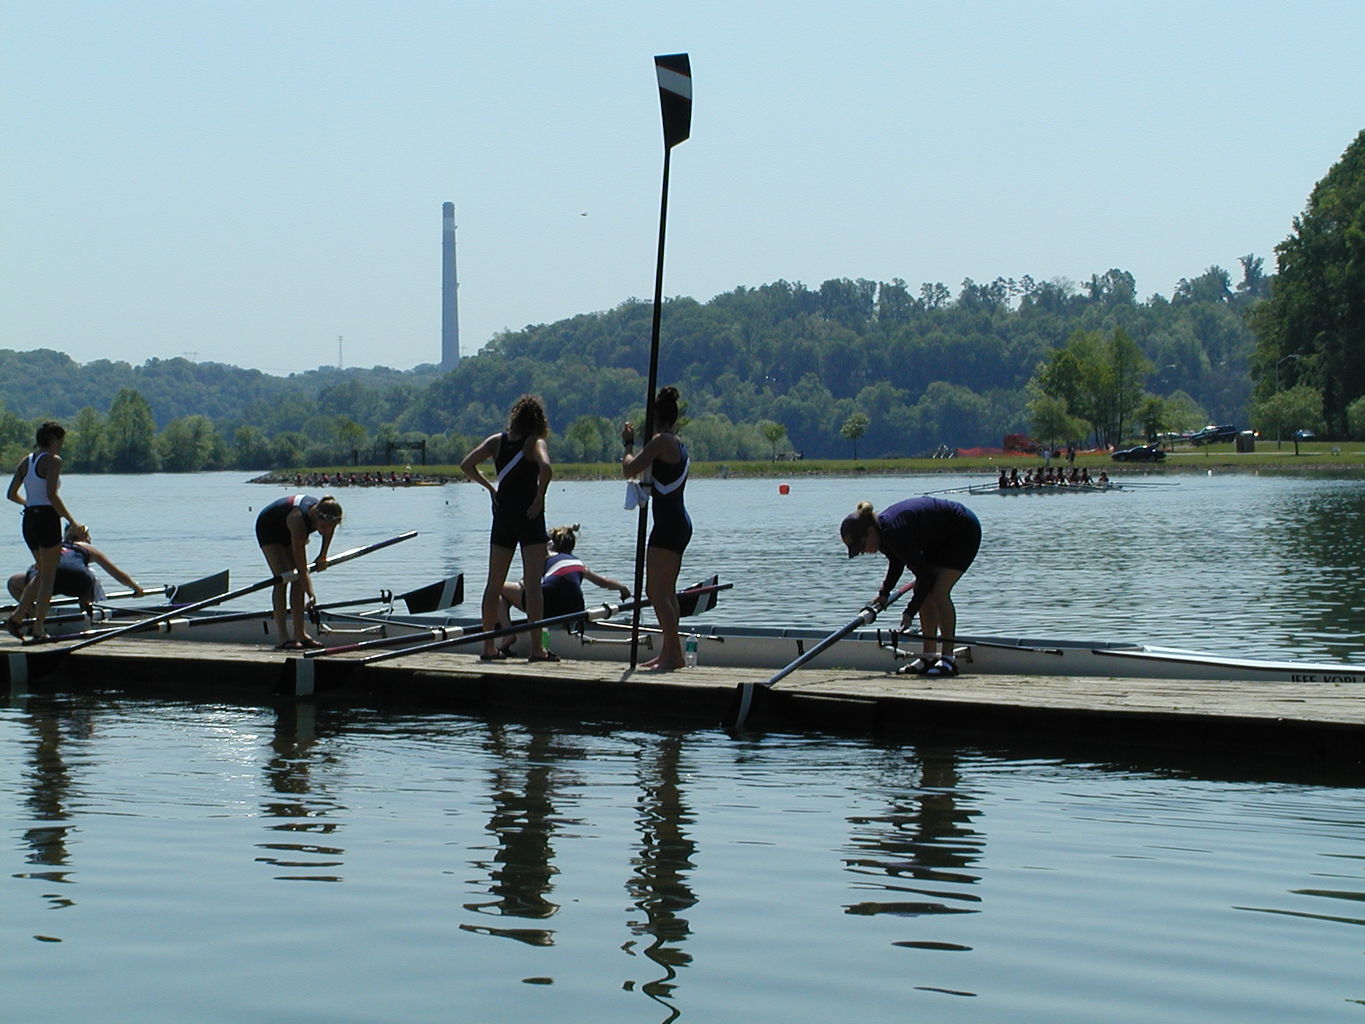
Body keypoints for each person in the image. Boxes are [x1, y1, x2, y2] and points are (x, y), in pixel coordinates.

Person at [840, 496, 981, 678]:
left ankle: (948, 659)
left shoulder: (894, 531)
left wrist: (910, 611)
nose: (863, 552)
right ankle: (928, 657)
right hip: (939, 536)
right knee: (923, 591)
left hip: (962, 529)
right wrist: (884, 593)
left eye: (862, 546)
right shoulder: (884, 534)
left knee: (938, 591)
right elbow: (897, 562)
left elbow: (926, 576)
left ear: (870, 531)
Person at [461, 394, 555, 662]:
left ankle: (489, 647)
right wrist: (540, 496)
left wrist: (490, 488)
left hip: (503, 517)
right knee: (534, 586)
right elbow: (546, 468)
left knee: (494, 584)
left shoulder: (496, 441)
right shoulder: (534, 442)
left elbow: (467, 465)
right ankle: (537, 649)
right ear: (538, 421)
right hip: (529, 515)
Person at [621, 385, 691, 671]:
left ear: (656, 419)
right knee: (666, 592)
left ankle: (673, 655)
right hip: (676, 522)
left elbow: (629, 468)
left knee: (655, 591)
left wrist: (628, 443)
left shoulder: (662, 441)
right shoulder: (675, 442)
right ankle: (671, 654)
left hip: (668, 525)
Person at [493, 524, 631, 656]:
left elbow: (525, 584)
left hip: (548, 603)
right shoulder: (579, 564)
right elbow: (604, 582)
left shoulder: (546, 557)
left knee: (498, 588)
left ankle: (508, 633)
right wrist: (623, 588)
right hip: (575, 609)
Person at [6, 421, 81, 642]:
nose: (61, 446)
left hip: (29, 520)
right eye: (61, 441)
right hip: (47, 520)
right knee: (49, 577)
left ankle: (17, 618)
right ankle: (38, 629)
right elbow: (52, 495)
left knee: (41, 572)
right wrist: (72, 522)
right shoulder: (53, 460)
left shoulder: (25, 462)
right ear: (55, 440)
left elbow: (11, 494)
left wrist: (29, 504)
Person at [254, 493, 343, 649]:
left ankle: (300, 634)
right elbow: (302, 570)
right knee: (284, 577)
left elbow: (328, 533)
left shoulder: (329, 516)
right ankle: (283, 637)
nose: (325, 531)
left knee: (298, 582)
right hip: (269, 527)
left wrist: (323, 556)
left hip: (288, 527)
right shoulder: (298, 520)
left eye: (331, 527)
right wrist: (311, 594)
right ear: (316, 517)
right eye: (322, 527)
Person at [7, 523, 144, 614]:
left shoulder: (53, 546)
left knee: (13, 582)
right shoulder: (87, 547)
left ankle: (36, 616)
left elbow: (37, 566)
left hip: (48, 581)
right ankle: (86, 610)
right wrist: (136, 587)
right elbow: (117, 574)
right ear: (83, 537)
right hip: (77, 580)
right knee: (90, 576)